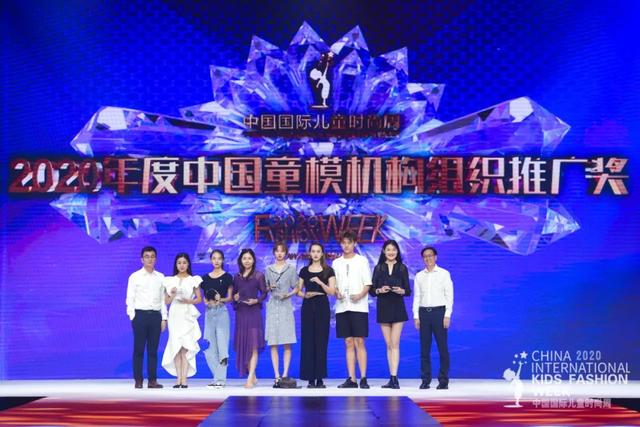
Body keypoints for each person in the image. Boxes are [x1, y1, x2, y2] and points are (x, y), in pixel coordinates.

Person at [333, 230, 372, 389]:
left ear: (354, 243)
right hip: (342, 307)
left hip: (359, 307)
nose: (346, 246)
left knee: (359, 341)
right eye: (343, 243)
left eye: (349, 242)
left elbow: (368, 283)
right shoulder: (336, 263)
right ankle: (352, 378)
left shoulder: (362, 261)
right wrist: (336, 292)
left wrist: (360, 295)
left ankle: (363, 378)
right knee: (348, 342)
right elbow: (333, 284)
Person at [370, 240, 411, 389]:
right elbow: (372, 290)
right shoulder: (378, 268)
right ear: (383, 251)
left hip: (398, 308)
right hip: (383, 308)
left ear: (397, 251)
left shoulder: (402, 268)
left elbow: (408, 290)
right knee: (388, 344)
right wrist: (379, 290)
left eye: (394, 249)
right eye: (388, 249)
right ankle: (391, 378)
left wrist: (402, 291)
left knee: (395, 343)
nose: (391, 252)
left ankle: (395, 378)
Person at [126, 246, 167, 389]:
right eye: (147, 256)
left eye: (152, 256)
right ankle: (138, 380)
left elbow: (163, 299)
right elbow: (130, 298)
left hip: (155, 316)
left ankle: (152, 380)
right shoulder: (135, 277)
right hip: (140, 316)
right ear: (142, 259)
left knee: (153, 351)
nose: (150, 259)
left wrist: (164, 318)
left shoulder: (161, 277)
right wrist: (132, 316)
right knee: (138, 350)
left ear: (156, 259)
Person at [413, 246, 454, 390]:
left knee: (442, 348)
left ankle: (443, 380)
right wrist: (416, 316)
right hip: (424, 313)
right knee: (424, 349)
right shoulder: (419, 276)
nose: (428, 258)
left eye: (430, 255)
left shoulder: (444, 274)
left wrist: (447, 315)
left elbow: (449, 296)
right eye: (425, 256)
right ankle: (425, 380)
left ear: (435, 257)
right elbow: (417, 297)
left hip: (439, 313)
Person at [161, 253, 203, 388]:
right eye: (179, 263)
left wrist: (188, 301)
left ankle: (184, 379)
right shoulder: (169, 280)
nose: (182, 265)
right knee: (176, 346)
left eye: (184, 262)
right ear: (176, 264)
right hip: (175, 314)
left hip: (187, 314)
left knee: (185, 347)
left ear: (188, 264)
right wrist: (172, 294)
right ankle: (178, 378)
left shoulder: (193, 280)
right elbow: (166, 301)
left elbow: (199, 299)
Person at [298, 242, 336, 388]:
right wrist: (305, 295)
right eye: (313, 251)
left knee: (321, 341)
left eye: (318, 251)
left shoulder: (328, 271)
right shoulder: (304, 271)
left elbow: (331, 291)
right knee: (308, 341)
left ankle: (320, 378)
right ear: (309, 253)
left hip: (322, 305)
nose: (315, 254)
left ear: (322, 254)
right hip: (308, 306)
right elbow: (298, 290)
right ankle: (310, 378)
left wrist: (320, 282)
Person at [265, 242, 299, 388]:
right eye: (277, 251)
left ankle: (285, 374)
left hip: (285, 307)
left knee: (287, 342)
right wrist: (269, 287)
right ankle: (276, 376)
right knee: (273, 343)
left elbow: (297, 287)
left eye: (282, 251)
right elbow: (264, 289)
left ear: (286, 253)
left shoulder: (290, 269)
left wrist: (288, 294)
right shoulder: (268, 270)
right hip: (273, 307)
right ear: (274, 253)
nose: (279, 254)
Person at [232, 248, 267, 389]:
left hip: (253, 314)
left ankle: (249, 378)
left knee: (253, 346)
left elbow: (264, 293)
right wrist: (235, 298)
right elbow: (234, 295)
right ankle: (253, 375)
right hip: (241, 314)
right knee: (243, 346)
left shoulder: (259, 276)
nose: (247, 261)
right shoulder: (237, 277)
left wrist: (256, 300)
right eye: (244, 258)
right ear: (241, 260)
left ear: (253, 260)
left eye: (249, 258)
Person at [200, 249, 233, 388]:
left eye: (219, 258)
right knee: (210, 348)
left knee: (222, 347)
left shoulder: (228, 277)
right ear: (211, 260)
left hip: (221, 313)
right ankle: (217, 377)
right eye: (214, 258)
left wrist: (221, 300)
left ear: (223, 260)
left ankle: (221, 380)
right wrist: (206, 302)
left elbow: (230, 298)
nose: (217, 261)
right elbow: (203, 297)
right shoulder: (204, 279)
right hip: (209, 313)